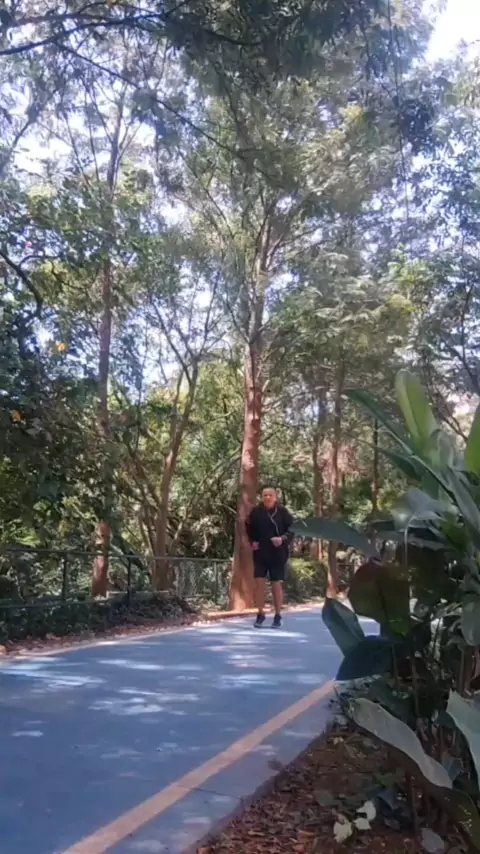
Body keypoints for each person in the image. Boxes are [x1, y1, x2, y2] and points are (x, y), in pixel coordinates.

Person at [245, 484, 294, 628]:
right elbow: (249, 527)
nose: (267, 497)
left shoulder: (283, 512)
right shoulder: (256, 512)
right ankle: (260, 614)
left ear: (275, 497)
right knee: (259, 582)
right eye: (265, 495)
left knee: (276, 584)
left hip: (278, 553)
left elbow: (292, 530)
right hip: (261, 552)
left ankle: (278, 616)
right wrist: (253, 541)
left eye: (270, 495)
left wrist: (282, 539)